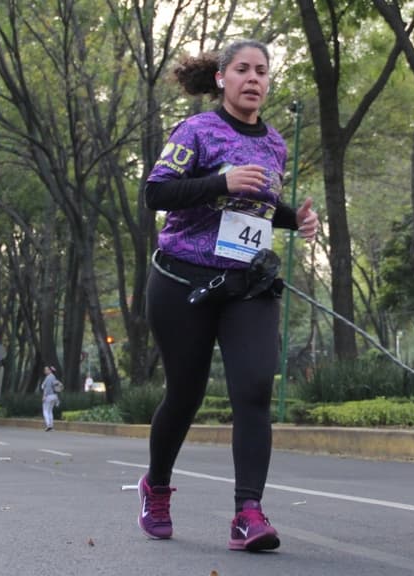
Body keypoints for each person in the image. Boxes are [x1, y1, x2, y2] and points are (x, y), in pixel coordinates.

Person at [139, 39, 318, 552]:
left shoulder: (275, 144)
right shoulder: (195, 131)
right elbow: (156, 193)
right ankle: (156, 487)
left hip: (247, 285)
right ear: (222, 78)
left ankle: (248, 513)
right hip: (183, 282)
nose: (253, 78)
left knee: (255, 390)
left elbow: (257, 208)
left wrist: (296, 219)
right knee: (186, 394)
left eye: (261, 71)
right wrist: (220, 181)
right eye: (242, 69)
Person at [39, 366, 60, 432]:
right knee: (50, 411)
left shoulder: (48, 378)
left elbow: (47, 388)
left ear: (49, 371)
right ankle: (51, 426)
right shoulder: (54, 377)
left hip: (48, 396)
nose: (45, 371)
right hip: (54, 396)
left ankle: (48, 425)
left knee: (45, 411)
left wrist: (44, 396)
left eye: (46, 370)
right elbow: (57, 387)